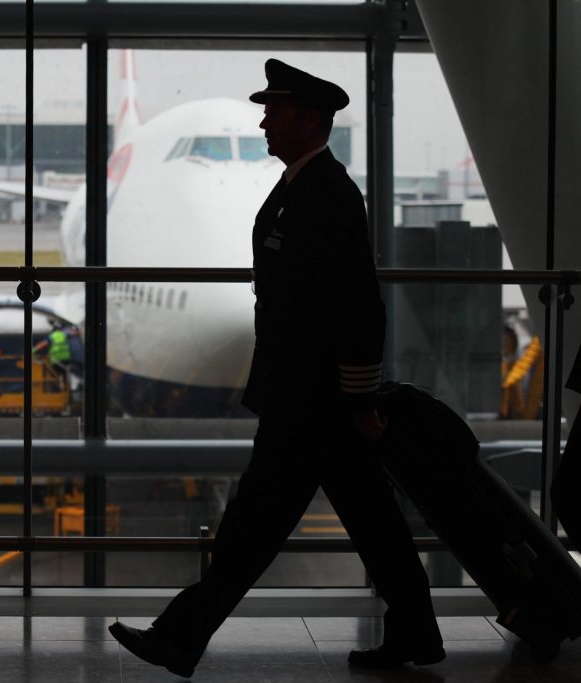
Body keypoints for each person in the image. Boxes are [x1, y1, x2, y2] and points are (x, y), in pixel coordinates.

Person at [109, 59, 444, 677]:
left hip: (314, 402)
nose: (264, 121)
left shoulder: (330, 194)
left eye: (276, 112)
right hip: (307, 398)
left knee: (251, 530)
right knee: (372, 526)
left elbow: (359, 307)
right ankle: (416, 634)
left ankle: (179, 636)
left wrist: (360, 400)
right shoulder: (298, 186)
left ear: (310, 120)